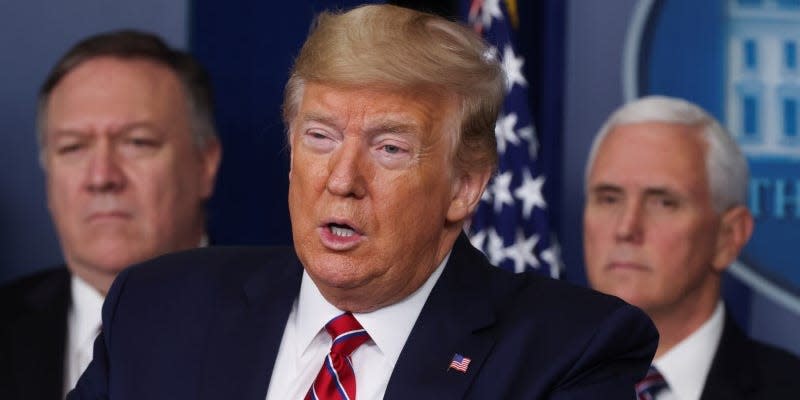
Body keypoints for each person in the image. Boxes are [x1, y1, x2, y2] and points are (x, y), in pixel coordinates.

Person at [68, 5, 657, 399]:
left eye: (391, 147)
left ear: (465, 186)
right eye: (319, 137)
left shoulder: (568, 352)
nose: (342, 179)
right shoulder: (157, 308)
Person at [0, 30, 221, 399]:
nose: (102, 177)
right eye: (73, 147)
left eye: (137, 142)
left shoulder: (286, 326)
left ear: (205, 164)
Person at [583, 95, 800, 399]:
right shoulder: (518, 381)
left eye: (663, 202)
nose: (626, 228)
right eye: (609, 198)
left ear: (729, 236)